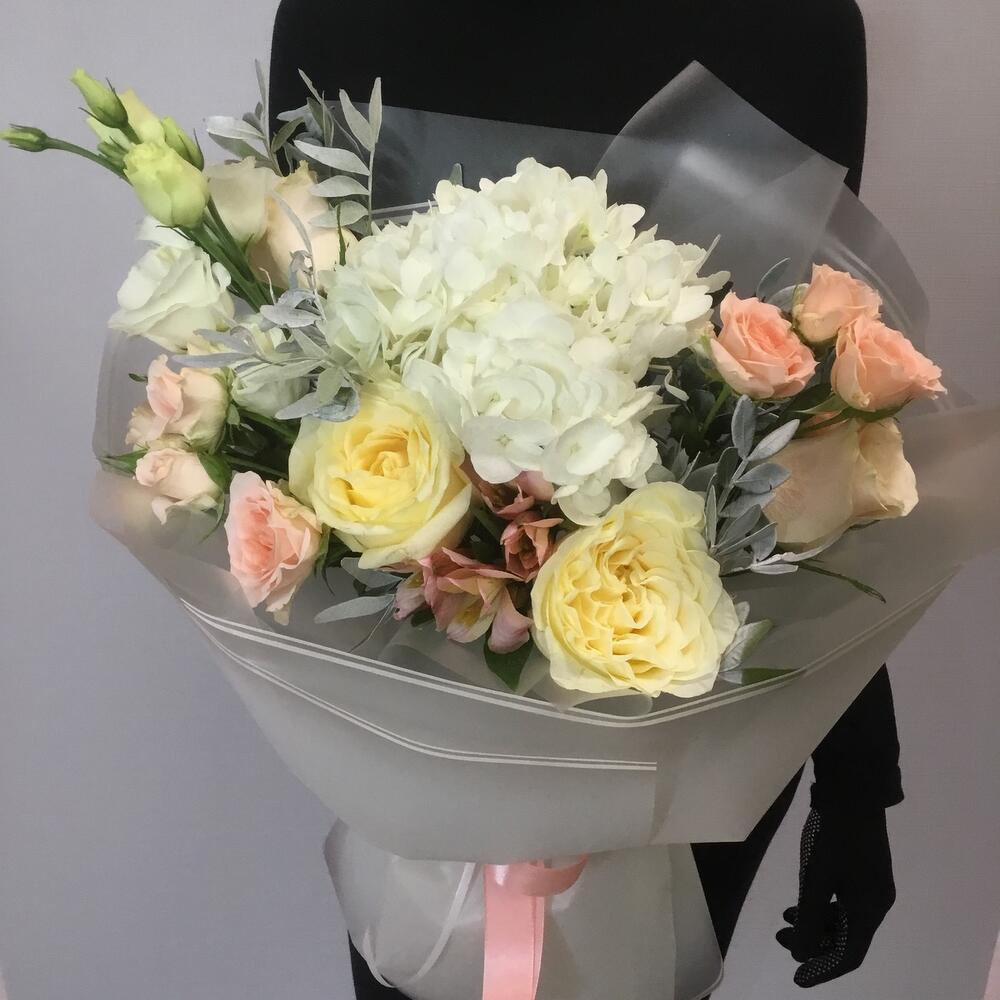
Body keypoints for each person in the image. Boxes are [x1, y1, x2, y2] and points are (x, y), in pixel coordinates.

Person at [268, 1, 904, 993]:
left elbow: (814, 441)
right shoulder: (342, 17)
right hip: (415, 695)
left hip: (690, 690)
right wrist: (859, 785)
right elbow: (295, 396)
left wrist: (856, 773)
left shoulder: (794, 26)